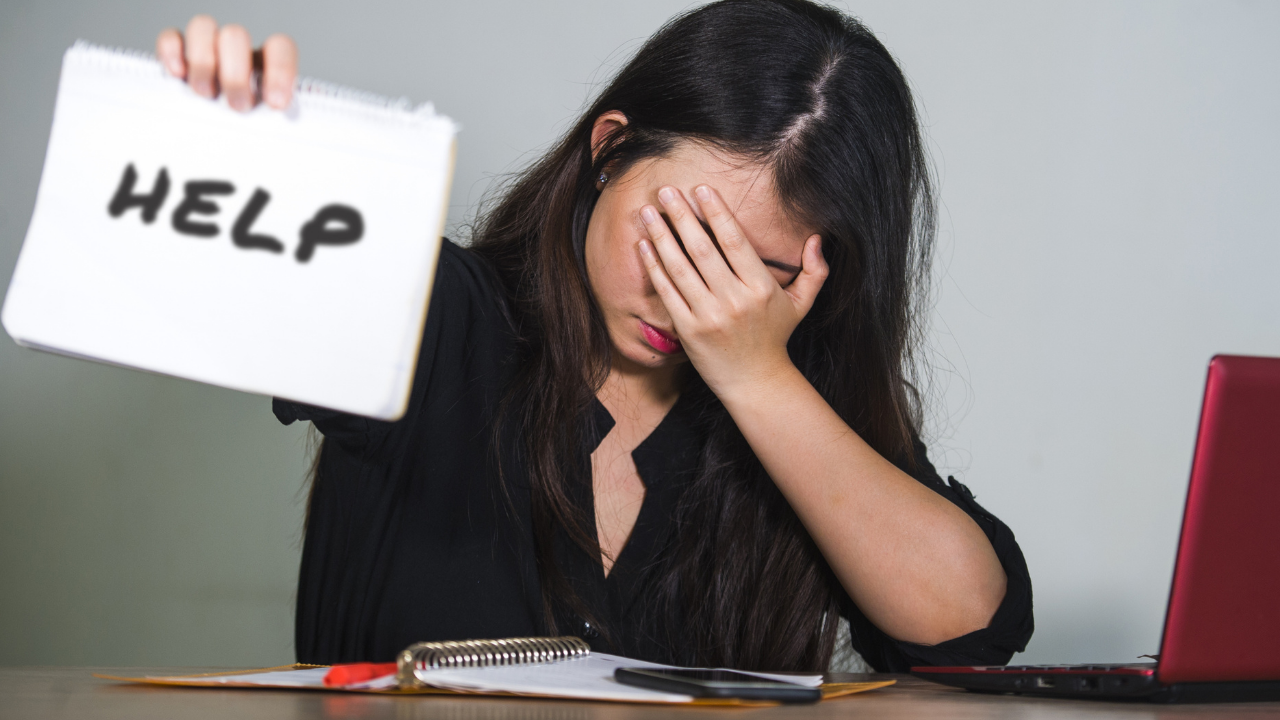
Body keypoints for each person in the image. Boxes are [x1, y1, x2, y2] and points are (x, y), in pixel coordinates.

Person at [156, 0, 1032, 672]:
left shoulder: (793, 409)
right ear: (608, 151)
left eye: (748, 276)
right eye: (671, 236)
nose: (685, 301)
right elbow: (217, 278)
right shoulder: (446, 318)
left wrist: (760, 380)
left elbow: (970, 625)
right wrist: (218, 147)